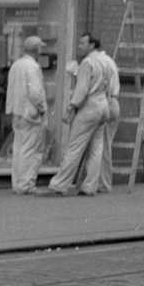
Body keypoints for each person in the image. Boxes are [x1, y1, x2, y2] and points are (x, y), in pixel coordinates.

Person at [40, 33, 111, 197]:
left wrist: (71, 107)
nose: (79, 46)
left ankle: (59, 185)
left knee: (74, 147)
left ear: (92, 45)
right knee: (96, 148)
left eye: (82, 43)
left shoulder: (87, 63)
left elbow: (82, 90)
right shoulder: (105, 62)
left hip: (89, 106)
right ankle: (89, 186)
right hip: (103, 105)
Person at [5, 36, 47, 194]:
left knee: (19, 148)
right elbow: (36, 93)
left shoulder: (16, 65)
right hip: (31, 113)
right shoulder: (33, 67)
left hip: (17, 112)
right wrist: (42, 109)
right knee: (31, 150)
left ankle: (17, 183)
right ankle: (27, 184)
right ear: (37, 49)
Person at [88, 38, 120, 194]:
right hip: (111, 102)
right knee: (103, 145)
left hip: (106, 102)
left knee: (103, 146)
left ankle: (103, 183)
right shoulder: (108, 61)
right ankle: (100, 182)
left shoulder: (99, 62)